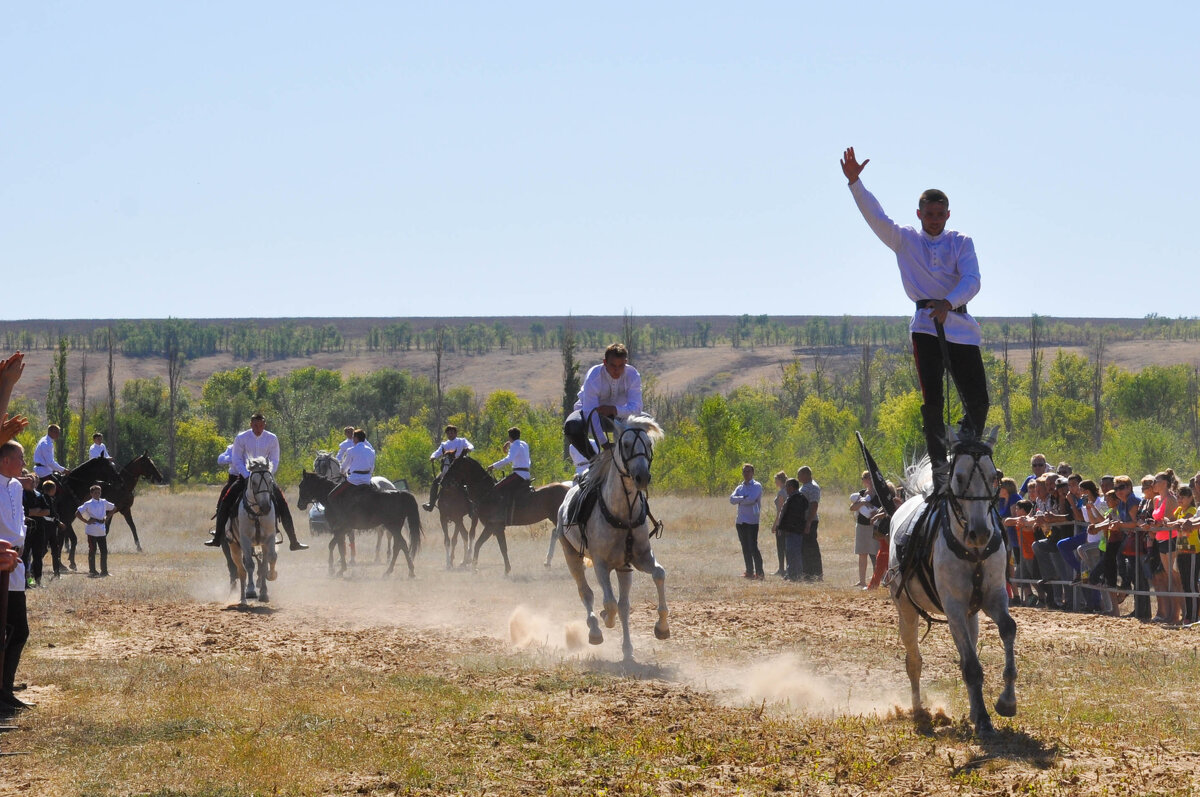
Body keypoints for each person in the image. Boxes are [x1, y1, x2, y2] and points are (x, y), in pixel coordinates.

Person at [842, 147, 989, 492]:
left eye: (940, 214)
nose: (935, 219)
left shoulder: (961, 242)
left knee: (979, 400)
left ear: (948, 214)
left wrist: (949, 302)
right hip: (926, 328)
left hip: (961, 329)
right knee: (932, 402)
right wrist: (855, 183)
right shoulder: (906, 239)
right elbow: (877, 218)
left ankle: (965, 443)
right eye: (929, 214)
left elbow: (973, 281)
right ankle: (939, 471)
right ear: (919, 214)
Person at [205, 413, 307, 551]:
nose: (258, 428)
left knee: (282, 503)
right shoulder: (241, 438)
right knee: (226, 499)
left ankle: (293, 541)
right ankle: (218, 537)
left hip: (265, 478)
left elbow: (275, 460)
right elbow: (236, 460)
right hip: (245, 477)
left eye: (260, 425)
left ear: (264, 424)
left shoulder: (272, 438)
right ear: (250, 424)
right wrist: (248, 476)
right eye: (255, 425)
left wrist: (267, 474)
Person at [564, 343, 642, 459]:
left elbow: (636, 409)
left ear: (625, 363)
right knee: (572, 426)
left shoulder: (633, 375)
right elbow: (590, 413)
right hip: (589, 414)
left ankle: (635, 465)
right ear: (605, 362)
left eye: (620, 366)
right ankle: (593, 460)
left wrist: (614, 409)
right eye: (613, 366)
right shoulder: (594, 376)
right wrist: (604, 443)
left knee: (647, 424)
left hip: (619, 415)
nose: (616, 370)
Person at [0, 441, 33, 715]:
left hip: (17, 562)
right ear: (5, 460)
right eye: (20, 458)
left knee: (17, 629)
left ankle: (6, 689)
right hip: (1, 562)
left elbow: (20, 517)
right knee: (13, 629)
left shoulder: (15, 486)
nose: (24, 464)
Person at [423, 425, 474, 511]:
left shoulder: (462, 441)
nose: (450, 434)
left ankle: (472, 506)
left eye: (451, 432)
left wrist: (469, 448)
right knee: (435, 482)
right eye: (448, 433)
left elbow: (471, 446)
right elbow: (437, 452)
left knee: (470, 482)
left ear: (455, 433)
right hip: (447, 470)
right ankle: (431, 504)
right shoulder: (444, 444)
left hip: (461, 468)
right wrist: (433, 457)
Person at [487, 427, 531, 523]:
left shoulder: (515, 445)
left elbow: (508, 459)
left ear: (510, 437)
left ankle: (500, 515)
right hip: (526, 474)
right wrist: (508, 444)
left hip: (519, 474)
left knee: (496, 488)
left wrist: (493, 466)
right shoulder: (524, 444)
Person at [730, 464, 763, 580]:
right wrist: (743, 498)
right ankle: (749, 571)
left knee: (753, 547)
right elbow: (731, 499)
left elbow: (752, 499)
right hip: (740, 521)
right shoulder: (740, 487)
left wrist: (740, 499)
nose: (746, 474)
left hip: (752, 521)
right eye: (744, 471)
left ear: (753, 473)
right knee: (745, 547)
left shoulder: (757, 486)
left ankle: (760, 573)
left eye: (748, 471)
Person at [75, 484, 116, 577]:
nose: (98, 494)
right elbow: (77, 513)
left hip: (101, 530)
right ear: (91, 493)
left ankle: (104, 571)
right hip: (92, 530)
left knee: (104, 551)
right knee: (92, 550)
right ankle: (92, 571)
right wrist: (86, 521)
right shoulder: (88, 503)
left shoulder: (104, 502)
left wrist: (107, 517)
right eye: (95, 493)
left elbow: (114, 508)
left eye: (99, 492)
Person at [775, 478, 809, 582]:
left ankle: (796, 575)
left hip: (794, 531)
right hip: (793, 531)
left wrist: (785, 528)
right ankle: (791, 574)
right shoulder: (796, 497)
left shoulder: (797, 498)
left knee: (794, 553)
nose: (786, 488)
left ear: (792, 487)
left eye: (787, 486)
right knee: (791, 553)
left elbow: (792, 517)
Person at [850, 471, 880, 588]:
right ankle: (862, 581)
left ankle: (876, 580)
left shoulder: (878, 494)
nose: (867, 480)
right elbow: (852, 507)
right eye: (865, 478)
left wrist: (865, 504)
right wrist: (863, 503)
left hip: (874, 526)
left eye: (869, 477)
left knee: (875, 554)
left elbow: (879, 510)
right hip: (861, 526)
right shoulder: (861, 493)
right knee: (862, 554)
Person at [796, 466, 823, 581]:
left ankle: (816, 574)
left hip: (809, 521)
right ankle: (807, 573)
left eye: (800, 474)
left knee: (811, 548)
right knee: (804, 548)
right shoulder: (805, 486)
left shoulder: (812, 487)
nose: (798, 477)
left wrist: (808, 523)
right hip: (804, 521)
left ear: (806, 474)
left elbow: (814, 505)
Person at [334, 429, 376, 498]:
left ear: (356, 438)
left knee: (332, 496)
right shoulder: (372, 451)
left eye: (353, 437)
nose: (352, 439)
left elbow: (345, 467)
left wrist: (342, 472)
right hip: (367, 480)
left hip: (353, 480)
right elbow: (372, 468)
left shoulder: (351, 450)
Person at [769, 471, 788, 577]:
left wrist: (775, 524)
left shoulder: (781, 493)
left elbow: (780, 511)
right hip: (788, 523)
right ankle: (788, 567)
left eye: (776, 480)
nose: (775, 482)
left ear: (779, 480)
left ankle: (781, 569)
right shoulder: (789, 490)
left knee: (781, 547)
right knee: (787, 546)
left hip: (781, 523)